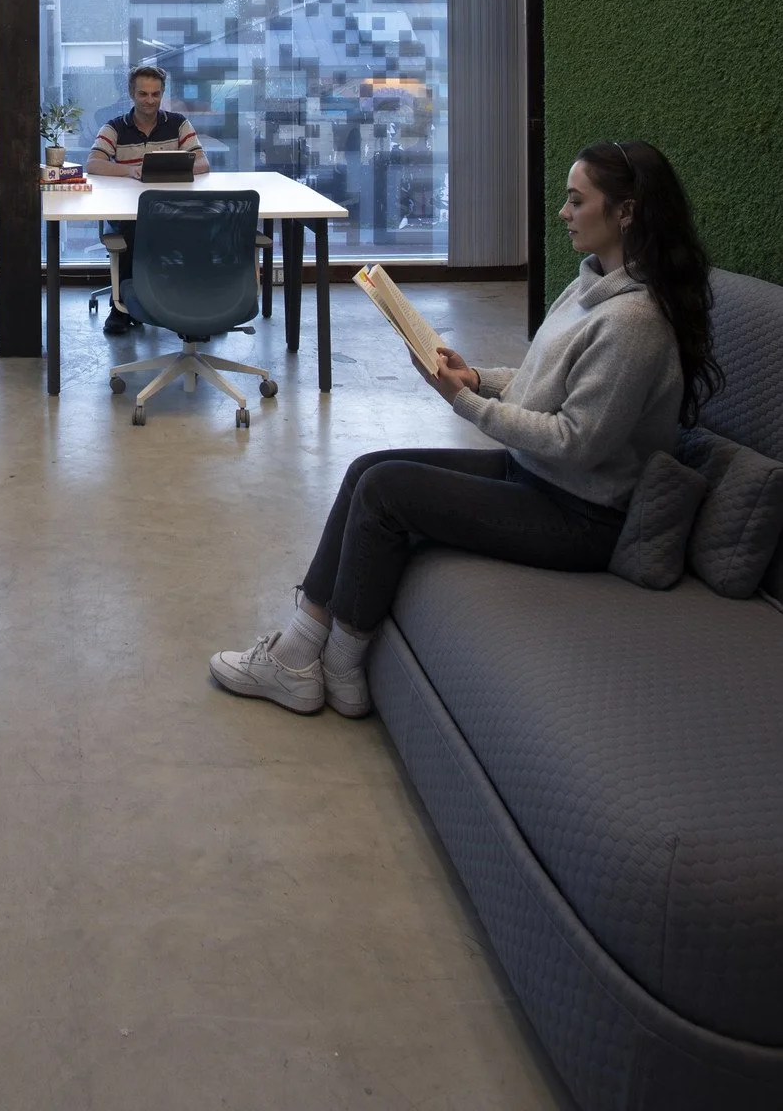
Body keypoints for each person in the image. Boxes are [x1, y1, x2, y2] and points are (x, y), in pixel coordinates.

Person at [210, 139, 721, 718]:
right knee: (367, 469)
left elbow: (575, 442)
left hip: (581, 516)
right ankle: (303, 651)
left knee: (387, 491)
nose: (563, 213)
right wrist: (476, 377)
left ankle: (334, 663)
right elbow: (540, 379)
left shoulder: (634, 323)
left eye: (577, 202)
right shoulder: (589, 286)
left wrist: (464, 404)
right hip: (538, 480)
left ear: (625, 211)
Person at [87, 64, 210, 336]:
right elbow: (93, 163)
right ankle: (122, 309)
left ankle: (197, 309)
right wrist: (130, 170)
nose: (150, 100)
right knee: (133, 232)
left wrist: (171, 168)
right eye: (143, 94)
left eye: (156, 94)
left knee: (201, 229)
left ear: (162, 93)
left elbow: (203, 163)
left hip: (174, 210)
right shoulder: (115, 127)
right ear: (132, 94)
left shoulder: (178, 124)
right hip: (130, 212)